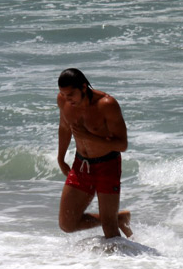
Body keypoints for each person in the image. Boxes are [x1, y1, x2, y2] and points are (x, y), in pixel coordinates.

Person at [56, 68, 132, 239]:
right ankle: (119, 218)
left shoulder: (106, 104)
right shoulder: (64, 101)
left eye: (71, 94)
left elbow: (122, 144)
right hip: (81, 164)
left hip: (107, 165)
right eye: (63, 94)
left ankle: (122, 263)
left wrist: (89, 137)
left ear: (84, 87)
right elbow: (64, 128)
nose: (67, 99)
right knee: (67, 224)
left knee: (110, 230)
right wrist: (60, 158)